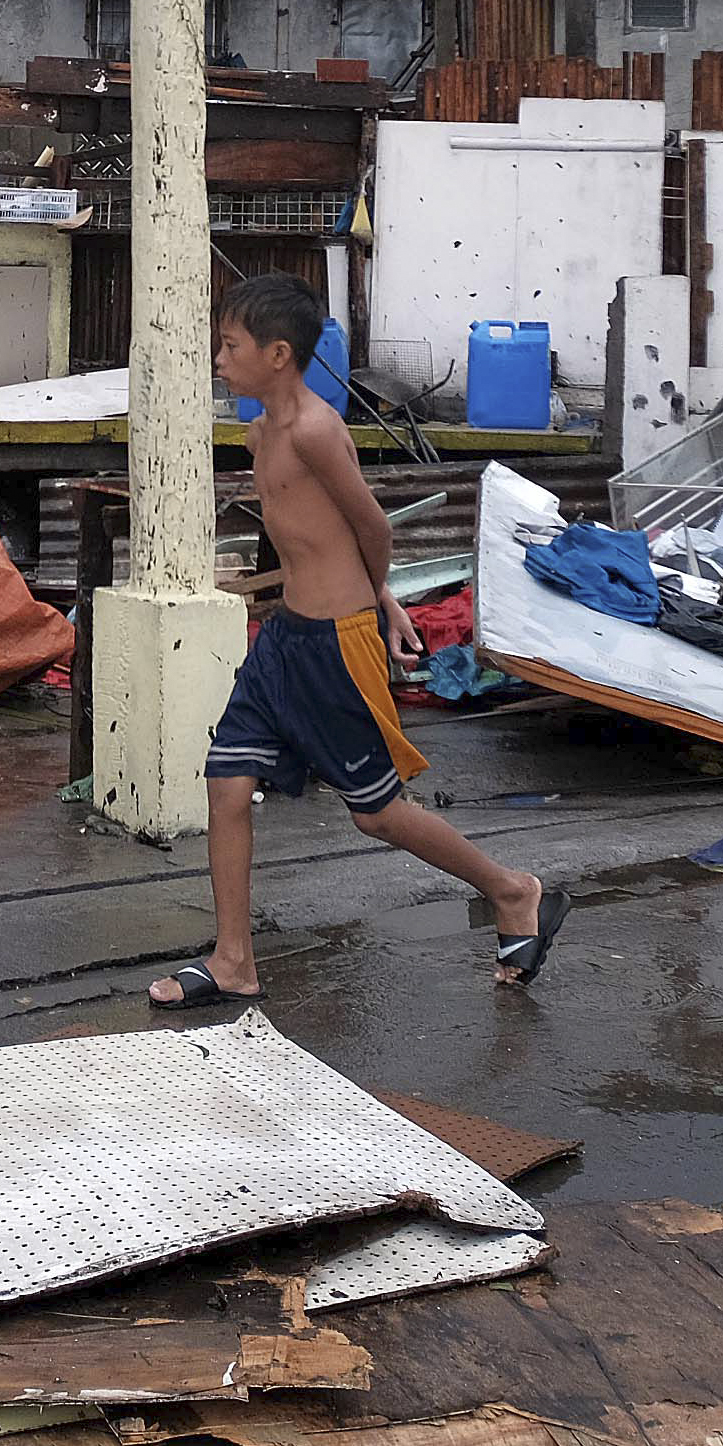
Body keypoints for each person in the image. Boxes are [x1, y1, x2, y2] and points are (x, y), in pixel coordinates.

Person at [147, 274, 557, 1007]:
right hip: (284, 641)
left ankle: (511, 890)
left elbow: (368, 524)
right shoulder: (258, 432)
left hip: (336, 644)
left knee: (375, 812)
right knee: (227, 782)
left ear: (278, 354)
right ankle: (234, 959)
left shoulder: (314, 430)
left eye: (229, 344)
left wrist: (381, 601)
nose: (218, 356)